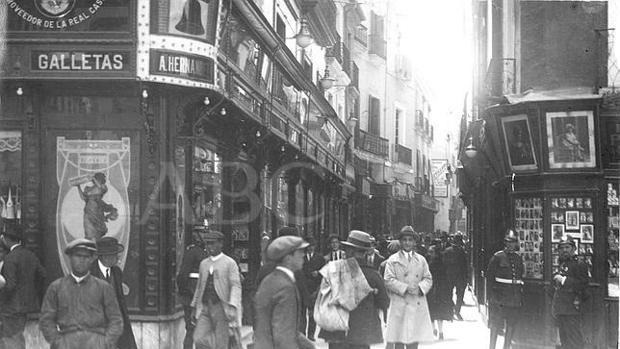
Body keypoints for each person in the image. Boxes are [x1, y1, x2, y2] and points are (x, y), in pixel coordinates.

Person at [39, 238, 123, 349]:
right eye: (78, 256)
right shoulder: (56, 287)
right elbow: (46, 319)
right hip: (66, 342)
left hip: (96, 342)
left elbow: (116, 320)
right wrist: (57, 341)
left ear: (92, 259)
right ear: (70, 258)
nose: (81, 260)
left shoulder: (103, 287)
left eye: (86, 257)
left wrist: (106, 342)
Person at [318, 230, 389, 349]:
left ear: (350, 251)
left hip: (338, 331)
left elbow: (321, 297)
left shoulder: (336, 271)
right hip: (362, 332)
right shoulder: (373, 275)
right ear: (365, 252)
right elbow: (384, 302)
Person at [254, 235, 314, 349]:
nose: (303, 255)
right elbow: (284, 334)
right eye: (299, 252)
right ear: (288, 258)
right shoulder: (285, 287)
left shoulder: (270, 280)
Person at [384, 225, 434, 349]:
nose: (407, 243)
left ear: (414, 242)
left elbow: (428, 278)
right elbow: (388, 279)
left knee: (413, 341)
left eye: (410, 240)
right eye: (404, 240)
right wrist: (404, 288)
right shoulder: (393, 260)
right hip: (399, 303)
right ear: (400, 242)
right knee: (399, 341)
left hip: (416, 303)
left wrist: (420, 288)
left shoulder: (421, 260)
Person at [190, 231, 242, 349]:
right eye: (207, 244)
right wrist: (194, 306)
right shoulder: (203, 264)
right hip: (205, 307)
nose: (209, 247)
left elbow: (236, 285)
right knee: (198, 338)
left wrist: (233, 305)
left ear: (220, 244)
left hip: (221, 308)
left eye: (212, 243)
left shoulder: (230, 263)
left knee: (221, 342)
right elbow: (199, 287)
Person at [0, 224, 46, 349]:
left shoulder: (10, 258)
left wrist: (2, 299)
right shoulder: (30, 254)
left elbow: (11, 285)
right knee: (19, 337)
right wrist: (32, 290)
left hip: (11, 308)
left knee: (11, 339)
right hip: (28, 305)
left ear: (6, 239)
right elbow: (42, 274)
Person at [90, 237, 137, 349]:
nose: (118, 258)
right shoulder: (89, 273)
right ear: (106, 257)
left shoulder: (117, 272)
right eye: (115, 255)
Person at [486, 229, 524, 349]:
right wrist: (490, 297)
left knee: (511, 325)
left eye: (513, 242)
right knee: (496, 326)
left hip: (513, 299)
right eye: (508, 242)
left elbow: (519, 276)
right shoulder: (497, 257)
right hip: (499, 299)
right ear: (505, 243)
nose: (511, 245)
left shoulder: (518, 258)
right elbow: (489, 277)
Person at [552, 235, 589, 349]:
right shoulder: (563, 264)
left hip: (572, 309)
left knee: (575, 342)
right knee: (565, 342)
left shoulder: (580, 264)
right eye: (562, 248)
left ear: (574, 249)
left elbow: (582, 284)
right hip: (561, 309)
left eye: (567, 247)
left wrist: (563, 280)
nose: (564, 250)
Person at [177, 227, 210, 349]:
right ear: (196, 235)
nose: (204, 236)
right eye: (202, 233)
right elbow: (183, 276)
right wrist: (185, 294)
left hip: (203, 298)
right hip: (191, 296)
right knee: (191, 329)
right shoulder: (192, 252)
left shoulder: (205, 252)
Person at [76, 172, 118, 240]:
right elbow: (83, 198)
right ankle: (91, 245)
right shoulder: (88, 188)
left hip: (97, 210)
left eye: (98, 179)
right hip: (88, 211)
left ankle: (97, 245)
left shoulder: (103, 187)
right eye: (96, 179)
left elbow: (101, 189)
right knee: (88, 231)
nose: (97, 180)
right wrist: (78, 187)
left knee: (97, 230)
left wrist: (93, 178)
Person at [427, 240, 453, 340]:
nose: (429, 254)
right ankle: (441, 331)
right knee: (440, 312)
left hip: (432, 289)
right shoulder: (442, 262)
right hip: (441, 289)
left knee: (432, 311)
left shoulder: (430, 263)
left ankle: (434, 329)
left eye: (431, 252)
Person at [300, 237, 325, 341]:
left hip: (314, 288)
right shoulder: (301, 258)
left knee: (312, 313)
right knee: (302, 313)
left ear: (315, 247)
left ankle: (311, 334)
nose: (310, 248)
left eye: (312, 246)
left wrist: (318, 273)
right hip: (303, 287)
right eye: (308, 246)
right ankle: (301, 333)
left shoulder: (320, 258)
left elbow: (324, 272)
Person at [443, 233, 468, 320]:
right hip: (460, 277)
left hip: (449, 276)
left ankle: (450, 311)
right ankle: (457, 311)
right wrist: (466, 277)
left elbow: (444, 264)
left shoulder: (447, 251)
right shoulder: (462, 252)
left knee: (449, 294)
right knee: (460, 295)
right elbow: (465, 265)